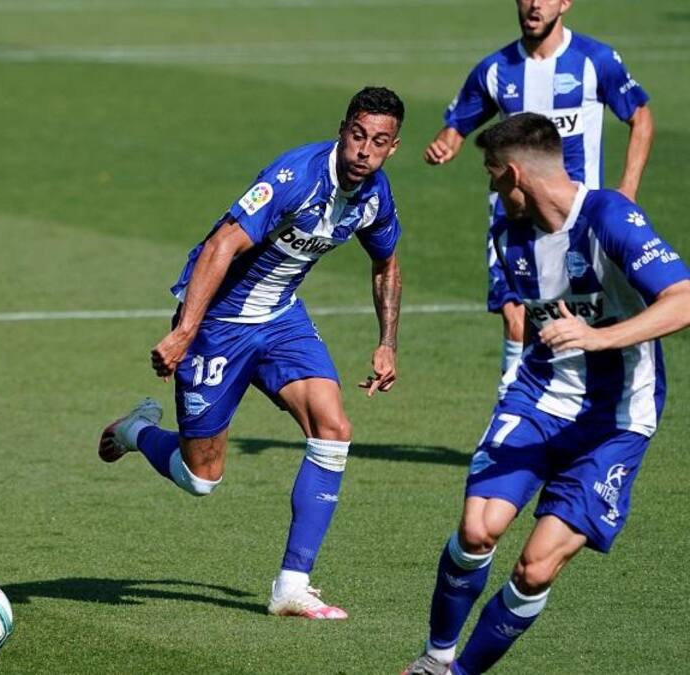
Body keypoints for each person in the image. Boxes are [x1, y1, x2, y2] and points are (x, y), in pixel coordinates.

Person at [98, 87, 405, 619]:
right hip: (217, 325)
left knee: (333, 430)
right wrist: (185, 331)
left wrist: (387, 343)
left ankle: (292, 584)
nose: (364, 151)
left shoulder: (376, 195)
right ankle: (136, 430)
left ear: (392, 148)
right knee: (201, 479)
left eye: (378, 142)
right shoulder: (296, 176)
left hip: (282, 320)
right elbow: (221, 245)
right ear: (342, 129)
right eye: (357, 136)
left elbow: (387, 262)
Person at [402, 113, 690, 675]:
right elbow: (525, 318)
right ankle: (434, 658)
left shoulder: (609, 216)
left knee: (535, 568)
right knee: (476, 530)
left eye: (490, 174)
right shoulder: (509, 235)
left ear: (513, 173)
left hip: (616, 421)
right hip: (537, 399)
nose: (489, 187)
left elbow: (682, 299)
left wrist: (598, 335)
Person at [425, 0, 652, 397]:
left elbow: (640, 117)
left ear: (565, 3)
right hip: (511, 218)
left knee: (589, 313)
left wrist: (627, 190)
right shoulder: (495, 69)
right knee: (516, 316)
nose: (534, 4)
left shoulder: (595, 61)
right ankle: (511, 400)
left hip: (580, 219)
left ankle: (591, 403)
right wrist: (448, 142)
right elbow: (457, 124)